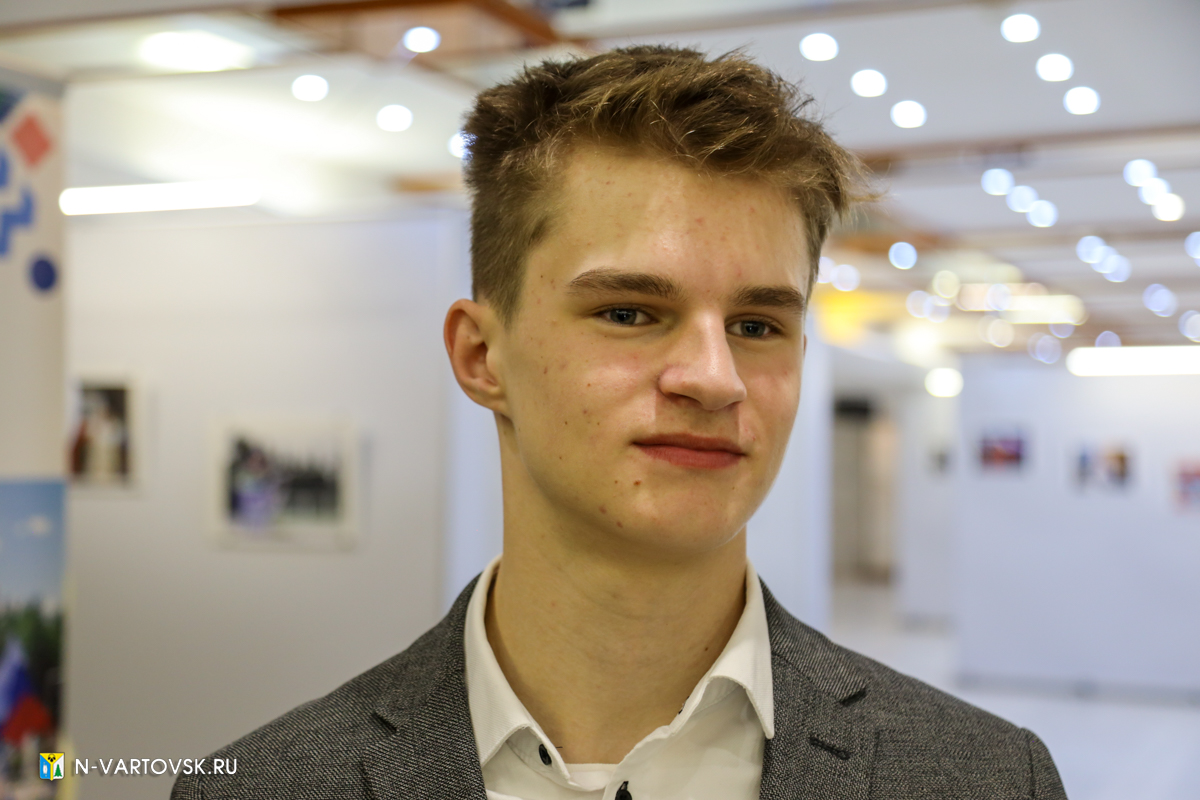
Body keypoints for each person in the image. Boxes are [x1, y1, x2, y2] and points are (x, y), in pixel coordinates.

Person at [172, 45, 1066, 800]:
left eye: (757, 326)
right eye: (630, 312)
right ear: (482, 357)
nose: (714, 379)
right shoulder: (265, 786)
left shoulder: (987, 778)